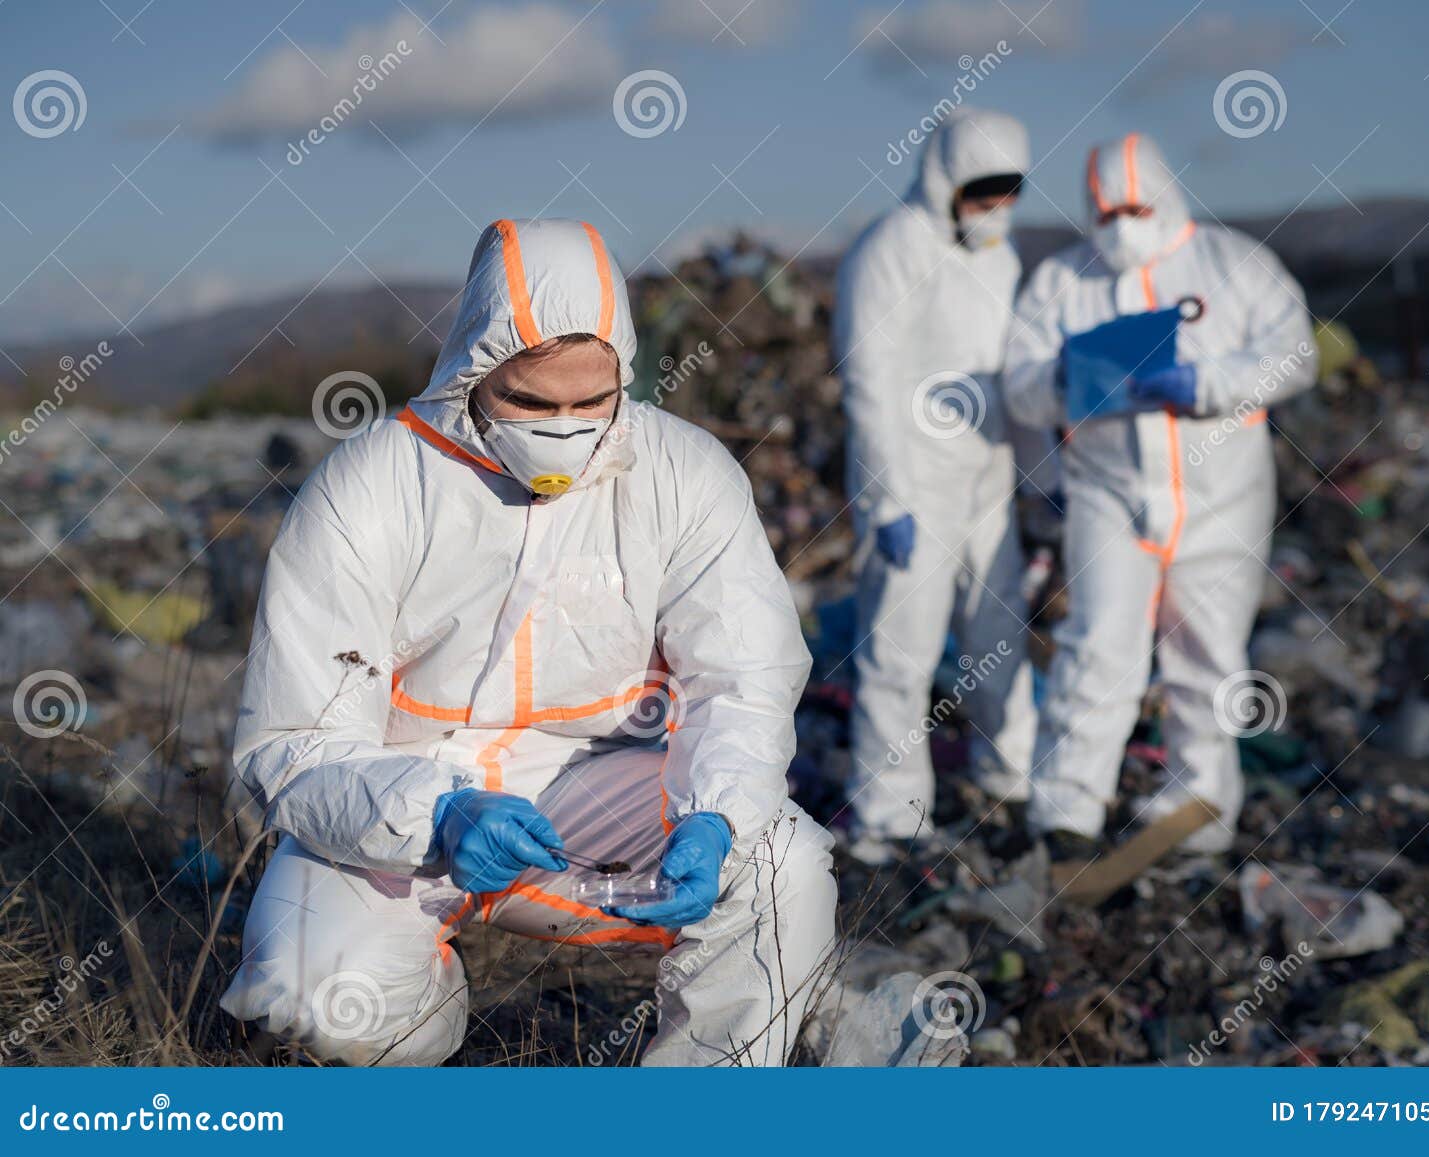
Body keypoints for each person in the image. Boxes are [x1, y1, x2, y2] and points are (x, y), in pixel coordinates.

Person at [220, 218, 837, 1066]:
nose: (565, 428)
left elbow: (744, 676)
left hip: (595, 795)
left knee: (782, 865)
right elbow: (289, 745)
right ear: (473, 370)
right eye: (532, 401)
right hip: (402, 804)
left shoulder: (683, 474)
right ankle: (418, 1020)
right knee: (313, 998)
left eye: (592, 401)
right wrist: (434, 815)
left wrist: (716, 817)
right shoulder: (370, 488)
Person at [1002, 133, 1317, 854]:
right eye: (1106, 212)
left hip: (1222, 503)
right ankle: (1067, 812)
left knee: (1207, 653)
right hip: (1110, 497)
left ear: (1169, 196)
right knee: (1097, 647)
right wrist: (1070, 382)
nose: (1122, 224)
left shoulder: (1233, 263)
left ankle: (1197, 812)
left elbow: (1294, 352)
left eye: (1136, 207)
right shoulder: (1060, 281)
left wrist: (1208, 384)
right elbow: (1018, 385)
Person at [833, 110, 1055, 862]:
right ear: (946, 181)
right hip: (914, 485)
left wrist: (1041, 478)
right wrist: (887, 497)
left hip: (985, 479)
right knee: (902, 653)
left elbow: (1017, 376)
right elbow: (869, 375)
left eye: (1007, 191)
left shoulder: (1001, 259)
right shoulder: (892, 248)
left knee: (998, 639)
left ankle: (1009, 783)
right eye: (980, 191)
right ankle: (889, 821)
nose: (993, 207)